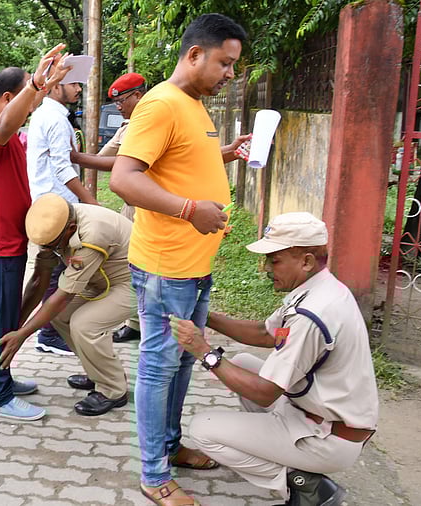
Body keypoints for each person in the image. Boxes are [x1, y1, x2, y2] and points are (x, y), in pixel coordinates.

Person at [108, 13, 249, 506]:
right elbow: (124, 179)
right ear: (194, 55)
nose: (230, 73)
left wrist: (226, 156)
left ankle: (169, 446)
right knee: (158, 366)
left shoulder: (192, 104)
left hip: (195, 265)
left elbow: (180, 164)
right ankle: (153, 475)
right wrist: (190, 210)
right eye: (225, 63)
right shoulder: (160, 104)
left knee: (182, 365)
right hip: (167, 267)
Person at [171, 212, 378, 506]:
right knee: (243, 362)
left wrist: (204, 351)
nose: (267, 268)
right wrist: (206, 317)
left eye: (275, 260)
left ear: (306, 261)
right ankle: (279, 444)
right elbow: (264, 334)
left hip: (328, 437)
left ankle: (302, 485)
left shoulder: (312, 315)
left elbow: (265, 393)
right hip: (321, 413)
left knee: (203, 429)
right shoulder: (319, 289)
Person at [0, 45, 71, 421]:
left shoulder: (15, 139)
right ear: (9, 97)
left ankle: (4, 378)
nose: (36, 99)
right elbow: (2, 126)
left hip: (11, 244)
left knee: (9, 316)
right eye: (29, 91)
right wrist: (37, 83)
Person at [0, 193, 133, 417]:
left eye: (52, 246)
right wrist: (17, 323)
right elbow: (40, 279)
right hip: (100, 278)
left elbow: (62, 297)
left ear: (70, 229)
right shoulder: (55, 225)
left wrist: (22, 335)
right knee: (60, 317)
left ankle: (113, 390)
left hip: (134, 282)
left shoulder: (92, 235)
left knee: (85, 324)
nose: (49, 249)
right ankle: (98, 374)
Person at [25, 67, 97, 357]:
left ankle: (52, 331)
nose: (79, 89)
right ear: (56, 88)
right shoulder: (53, 118)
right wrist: (89, 201)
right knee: (58, 273)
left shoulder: (54, 116)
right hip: (57, 207)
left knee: (59, 270)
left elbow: (71, 159)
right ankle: (49, 334)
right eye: (74, 84)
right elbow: (62, 166)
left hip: (56, 204)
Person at [93, 72, 148, 344]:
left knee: (145, 267)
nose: (119, 107)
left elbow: (119, 164)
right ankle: (135, 322)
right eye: (116, 103)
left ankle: (145, 321)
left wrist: (77, 157)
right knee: (131, 264)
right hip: (131, 208)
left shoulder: (150, 124)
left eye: (122, 101)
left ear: (138, 95)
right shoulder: (129, 126)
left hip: (150, 208)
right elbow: (103, 158)